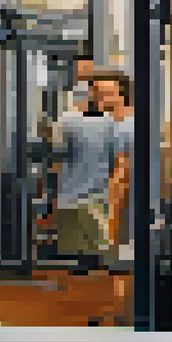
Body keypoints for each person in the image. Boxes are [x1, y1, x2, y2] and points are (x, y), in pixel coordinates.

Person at [53, 58, 133, 273]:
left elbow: (122, 168)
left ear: (121, 93)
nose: (101, 97)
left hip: (118, 203)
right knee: (84, 264)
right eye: (97, 92)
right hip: (87, 201)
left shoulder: (129, 124)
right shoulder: (94, 123)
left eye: (107, 92)